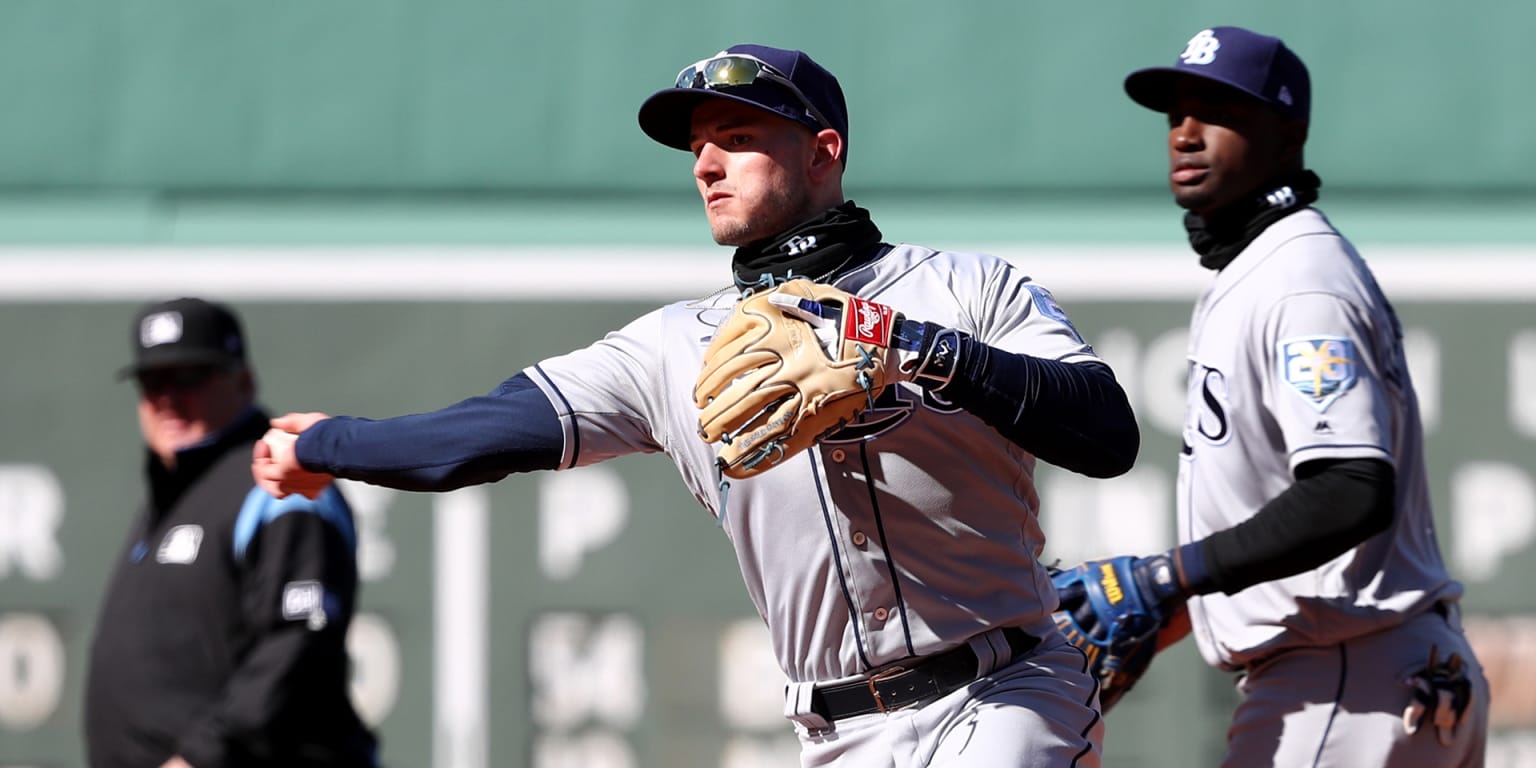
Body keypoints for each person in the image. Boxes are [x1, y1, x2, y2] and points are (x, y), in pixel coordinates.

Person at [254, 44, 1139, 766]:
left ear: (823, 151)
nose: (707, 164)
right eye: (697, 147)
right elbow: (479, 435)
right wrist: (327, 442)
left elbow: (1105, 430)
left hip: (1003, 697)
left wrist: (916, 347)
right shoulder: (671, 348)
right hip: (836, 734)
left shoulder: (963, 290)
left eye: (738, 135)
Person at [1062, 26, 1489, 766]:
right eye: (1175, 115)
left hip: (1348, 674)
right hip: (1384, 671)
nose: (1185, 135)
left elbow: (1352, 488)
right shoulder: (1265, 267)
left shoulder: (1300, 277)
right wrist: (1179, 603)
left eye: (1217, 111)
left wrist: (1171, 575)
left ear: (1288, 135)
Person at [86, 297, 379, 768]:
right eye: (152, 382)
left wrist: (200, 756)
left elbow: (298, 648)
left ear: (243, 381)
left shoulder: (278, 481)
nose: (168, 398)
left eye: (189, 378)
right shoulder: (175, 493)